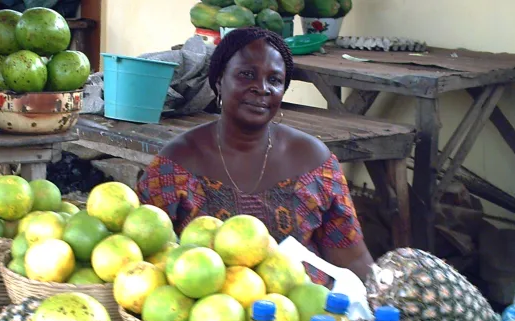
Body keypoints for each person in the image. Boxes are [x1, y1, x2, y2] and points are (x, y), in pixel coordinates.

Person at [135, 27, 373, 285]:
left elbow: (351, 259)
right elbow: (142, 255)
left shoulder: (314, 161)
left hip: (309, 318)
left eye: (274, 80)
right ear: (218, 81)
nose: (262, 88)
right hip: (205, 318)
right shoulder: (177, 163)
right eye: (247, 75)